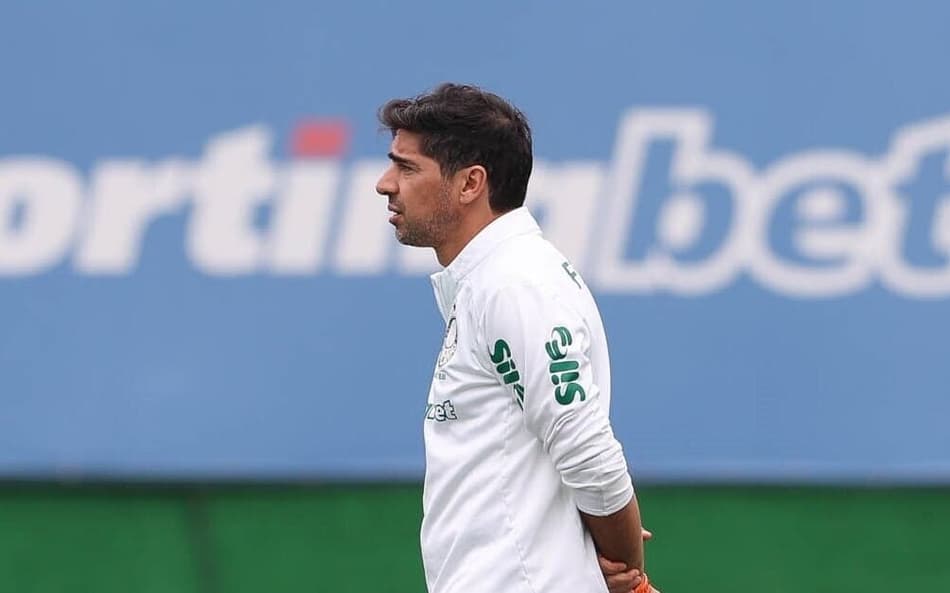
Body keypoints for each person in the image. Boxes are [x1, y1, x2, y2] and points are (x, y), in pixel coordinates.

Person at [375, 83, 657, 593]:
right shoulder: (496, 281)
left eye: (407, 167)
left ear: (470, 184)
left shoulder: (516, 284)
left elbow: (588, 449)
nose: (384, 183)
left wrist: (629, 577)